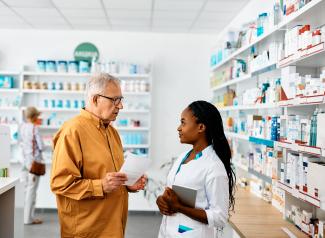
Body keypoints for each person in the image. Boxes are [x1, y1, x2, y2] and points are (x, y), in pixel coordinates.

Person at [50, 73, 147, 238]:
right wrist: (100, 186)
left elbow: (110, 176)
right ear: (95, 99)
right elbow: (60, 183)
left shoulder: (112, 132)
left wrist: (128, 183)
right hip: (87, 230)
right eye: (115, 100)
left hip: (113, 226)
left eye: (121, 99)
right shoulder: (72, 131)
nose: (120, 106)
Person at [156, 100, 236, 238]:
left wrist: (180, 207)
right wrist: (161, 200)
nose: (179, 128)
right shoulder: (182, 157)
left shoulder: (214, 167)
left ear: (201, 127)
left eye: (183, 122)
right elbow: (171, 192)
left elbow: (219, 217)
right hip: (167, 231)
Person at [19, 106, 45, 225]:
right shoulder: (35, 128)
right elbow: (41, 146)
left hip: (24, 162)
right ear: (34, 117)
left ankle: (26, 217)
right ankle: (28, 219)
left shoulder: (22, 127)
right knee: (32, 191)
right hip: (33, 163)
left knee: (26, 190)